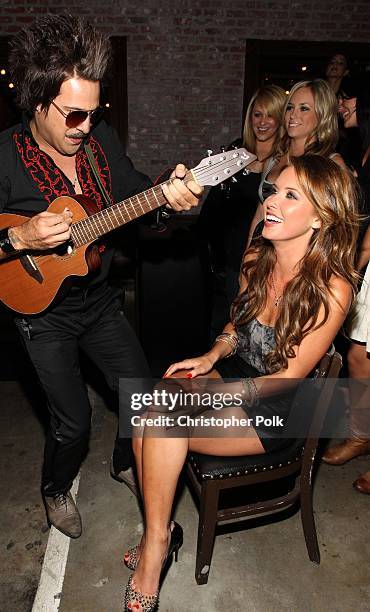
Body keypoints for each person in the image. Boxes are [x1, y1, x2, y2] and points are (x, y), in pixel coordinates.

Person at [0, 15, 203, 539]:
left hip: (99, 301)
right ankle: (56, 489)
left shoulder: (99, 138)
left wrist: (168, 203)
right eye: (73, 115)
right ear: (38, 105)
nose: (85, 125)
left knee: (139, 394)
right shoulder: (1, 161)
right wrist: (18, 240)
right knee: (74, 422)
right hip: (42, 314)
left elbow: (136, 196)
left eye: (92, 112)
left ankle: (127, 461)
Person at [123, 155, 359, 611]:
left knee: (165, 425)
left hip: (280, 407)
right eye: (274, 190)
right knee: (150, 406)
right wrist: (211, 355)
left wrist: (212, 394)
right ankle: (162, 531)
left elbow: (288, 379)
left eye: (291, 196)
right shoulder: (257, 255)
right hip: (236, 377)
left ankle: (154, 552)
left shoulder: (333, 288)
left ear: (321, 217)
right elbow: (236, 330)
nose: (272, 201)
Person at [198, 85, 286, 337]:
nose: (262, 122)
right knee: (218, 329)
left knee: (244, 332)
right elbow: (214, 203)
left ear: (281, 119)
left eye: (270, 115)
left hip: (255, 261)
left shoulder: (283, 163)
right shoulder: (236, 153)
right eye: (257, 114)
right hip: (221, 261)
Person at [322, 76, 370, 493]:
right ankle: (361, 435)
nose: (341, 104)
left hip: (367, 259)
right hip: (363, 259)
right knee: (358, 356)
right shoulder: (361, 143)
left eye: (348, 96)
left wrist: (356, 264)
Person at [247, 79, 347, 243]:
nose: (293, 115)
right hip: (264, 256)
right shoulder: (274, 160)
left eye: (304, 109)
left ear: (322, 115)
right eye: (290, 108)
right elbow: (259, 217)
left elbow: (339, 228)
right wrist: (247, 259)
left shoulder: (331, 164)